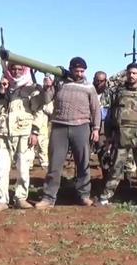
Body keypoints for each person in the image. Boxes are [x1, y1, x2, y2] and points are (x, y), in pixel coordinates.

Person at [35, 57, 101, 209]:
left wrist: (96, 129)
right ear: (70, 69)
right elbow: (45, 100)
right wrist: (46, 87)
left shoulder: (89, 87)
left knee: (83, 163)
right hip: (59, 127)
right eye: (77, 71)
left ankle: (84, 196)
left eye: (82, 71)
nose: (79, 74)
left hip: (81, 127)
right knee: (55, 164)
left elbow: (95, 110)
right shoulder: (59, 83)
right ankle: (48, 198)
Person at [98, 63, 137, 206]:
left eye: (134, 73)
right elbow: (110, 116)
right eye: (129, 73)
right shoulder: (119, 92)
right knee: (116, 168)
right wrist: (108, 135)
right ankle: (106, 196)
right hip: (121, 137)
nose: (131, 75)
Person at [0, 63, 43, 213]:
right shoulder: (2, 86)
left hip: (25, 133)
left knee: (24, 169)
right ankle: (2, 200)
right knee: (1, 170)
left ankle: (21, 198)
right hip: (3, 133)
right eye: (13, 69)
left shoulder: (32, 88)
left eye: (20, 69)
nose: (16, 72)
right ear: (9, 70)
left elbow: (37, 111)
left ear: (25, 70)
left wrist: (35, 132)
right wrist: (2, 92)